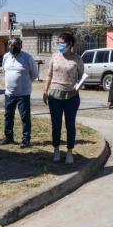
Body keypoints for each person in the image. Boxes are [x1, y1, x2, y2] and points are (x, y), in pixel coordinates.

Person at [43, 32, 84, 165]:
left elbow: (82, 77)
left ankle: (70, 151)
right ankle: (56, 150)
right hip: (55, 95)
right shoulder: (54, 56)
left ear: (70, 44)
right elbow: (49, 75)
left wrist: (77, 87)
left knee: (70, 125)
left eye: (62, 43)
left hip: (71, 97)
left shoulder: (77, 59)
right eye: (58, 43)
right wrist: (45, 90)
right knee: (56, 124)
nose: (59, 45)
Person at [1, 37, 38, 148]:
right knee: (8, 116)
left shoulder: (27, 58)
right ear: (9, 46)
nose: (13, 47)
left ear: (21, 46)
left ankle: (26, 140)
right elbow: (4, 71)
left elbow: (35, 74)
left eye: (16, 45)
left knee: (25, 117)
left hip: (23, 94)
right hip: (9, 94)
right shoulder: (5, 57)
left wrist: (24, 83)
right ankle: (8, 137)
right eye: (11, 45)